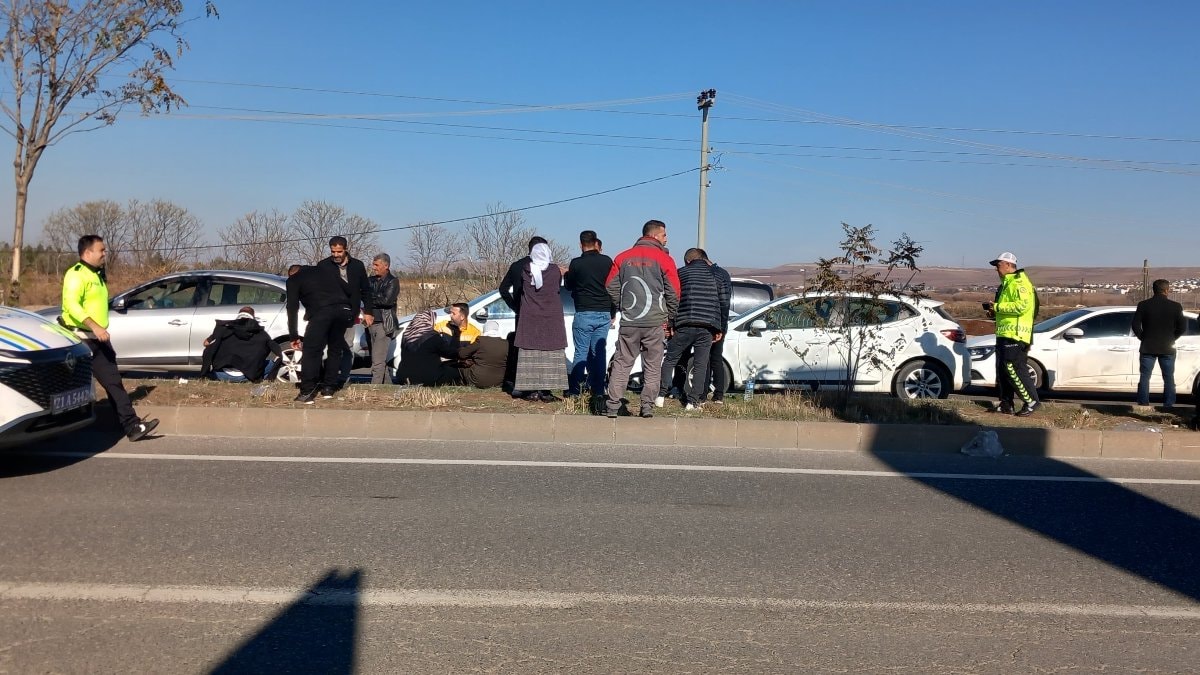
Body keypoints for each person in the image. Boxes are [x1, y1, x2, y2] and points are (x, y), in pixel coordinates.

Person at [59, 234, 159, 441]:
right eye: (101, 250)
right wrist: (95, 326)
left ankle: (131, 426)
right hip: (81, 340)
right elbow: (71, 305)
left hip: (99, 340)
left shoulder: (96, 274)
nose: (105, 253)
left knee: (113, 382)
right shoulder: (76, 274)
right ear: (88, 253)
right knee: (69, 387)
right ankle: (53, 428)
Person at [604, 220, 680, 418]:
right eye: (664, 235)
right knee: (652, 366)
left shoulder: (622, 257)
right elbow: (674, 292)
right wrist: (670, 316)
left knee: (622, 363)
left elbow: (610, 286)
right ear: (654, 236)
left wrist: (623, 306)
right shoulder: (665, 259)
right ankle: (647, 406)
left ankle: (612, 405)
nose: (666, 239)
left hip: (630, 321)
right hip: (655, 322)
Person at [287, 241, 371, 403]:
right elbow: (348, 288)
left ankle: (306, 392)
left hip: (322, 313)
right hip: (343, 312)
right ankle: (328, 388)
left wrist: (294, 336)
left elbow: (292, 308)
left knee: (312, 351)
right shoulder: (323, 271)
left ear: (292, 274)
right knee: (335, 349)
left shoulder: (294, 279)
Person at [656, 248, 729, 410]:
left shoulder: (681, 273)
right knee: (701, 364)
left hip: (684, 323)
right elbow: (723, 303)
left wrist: (671, 323)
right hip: (707, 326)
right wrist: (720, 328)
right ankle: (692, 402)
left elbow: (672, 298)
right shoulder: (717, 275)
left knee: (670, 359)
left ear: (688, 261)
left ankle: (661, 395)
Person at [984, 251, 1040, 417]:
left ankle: (1031, 401)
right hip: (1004, 333)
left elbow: (1021, 306)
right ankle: (1006, 404)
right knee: (1002, 370)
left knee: (1013, 368)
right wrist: (993, 312)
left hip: (1016, 334)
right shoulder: (1005, 285)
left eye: (998, 265)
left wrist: (998, 307)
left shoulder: (1020, 282)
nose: (996, 269)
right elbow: (1006, 310)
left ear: (1009, 265)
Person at [512, 242, 568, 402]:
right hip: (551, 317)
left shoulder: (526, 269)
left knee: (530, 352)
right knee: (549, 353)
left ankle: (531, 391)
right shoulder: (555, 270)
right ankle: (546, 391)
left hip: (530, 317)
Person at [564, 230, 616, 400]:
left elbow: (569, 285)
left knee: (581, 352)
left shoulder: (576, 263)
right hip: (603, 312)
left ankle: (575, 391)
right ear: (596, 243)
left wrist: (567, 274)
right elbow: (613, 286)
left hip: (584, 312)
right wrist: (613, 311)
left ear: (581, 245)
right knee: (599, 353)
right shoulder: (607, 261)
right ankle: (599, 390)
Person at [1132, 279, 1186, 409]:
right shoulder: (1176, 306)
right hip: (1167, 347)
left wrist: (1143, 337)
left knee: (1145, 376)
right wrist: (1172, 338)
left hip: (1148, 346)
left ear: (1153, 290)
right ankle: (1168, 405)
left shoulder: (1143, 305)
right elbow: (1182, 327)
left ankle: (1143, 404)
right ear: (1167, 290)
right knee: (1168, 377)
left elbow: (1135, 325)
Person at [199, 306, 283, 382]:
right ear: (253, 317)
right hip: (248, 376)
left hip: (222, 375)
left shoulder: (223, 329)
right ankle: (261, 378)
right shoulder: (261, 333)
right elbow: (278, 352)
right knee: (270, 363)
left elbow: (206, 344)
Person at [394, 310, 464, 386]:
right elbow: (449, 353)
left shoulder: (406, 336)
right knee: (455, 372)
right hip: (427, 378)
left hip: (404, 378)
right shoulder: (432, 336)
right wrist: (456, 334)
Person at [701, 251, 733, 404]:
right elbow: (725, 302)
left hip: (708, 321)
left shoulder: (708, 275)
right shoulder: (723, 274)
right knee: (716, 358)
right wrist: (722, 326)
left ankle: (703, 393)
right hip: (719, 322)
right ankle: (718, 394)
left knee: (705, 358)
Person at [499, 235, 549, 317]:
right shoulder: (546, 268)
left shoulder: (516, 266)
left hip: (521, 313)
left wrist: (515, 307)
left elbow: (503, 289)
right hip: (541, 314)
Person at [368, 253, 399, 385]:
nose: (374, 267)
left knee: (378, 360)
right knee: (379, 359)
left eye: (377, 265)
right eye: (373, 264)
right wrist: (374, 297)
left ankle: (374, 388)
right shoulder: (370, 280)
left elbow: (387, 301)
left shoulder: (393, 281)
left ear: (386, 266)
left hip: (384, 324)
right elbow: (363, 295)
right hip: (370, 323)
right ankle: (387, 387)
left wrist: (370, 298)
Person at [456, 321, 510, 389]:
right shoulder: (506, 343)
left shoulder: (481, 341)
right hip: (499, 382)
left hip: (478, 380)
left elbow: (462, 354)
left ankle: (459, 383)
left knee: (461, 368)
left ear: (485, 329)